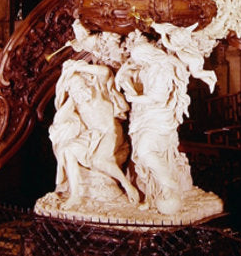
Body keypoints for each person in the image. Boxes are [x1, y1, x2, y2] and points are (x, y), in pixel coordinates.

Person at [115, 32, 194, 215]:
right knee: (142, 156)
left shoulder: (162, 68)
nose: (139, 64)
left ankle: (169, 184)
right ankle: (152, 196)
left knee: (145, 151)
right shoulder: (148, 68)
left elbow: (157, 97)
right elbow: (135, 79)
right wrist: (127, 80)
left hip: (158, 118)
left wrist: (135, 97)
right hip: (144, 115)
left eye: (140, 60)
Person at [49, 59, 139, 207]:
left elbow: (105, 72)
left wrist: (78, 67)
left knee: (98, 161)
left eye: (77, 86)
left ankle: (127, 186)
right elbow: (59, 118)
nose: (76, 91)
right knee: (67, 150)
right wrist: (70, 92)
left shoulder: (99, 91)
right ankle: (75, 195)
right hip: (92, 136)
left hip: (110, 132)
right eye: (71, 89)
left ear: (86, 83)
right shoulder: (76, 101)